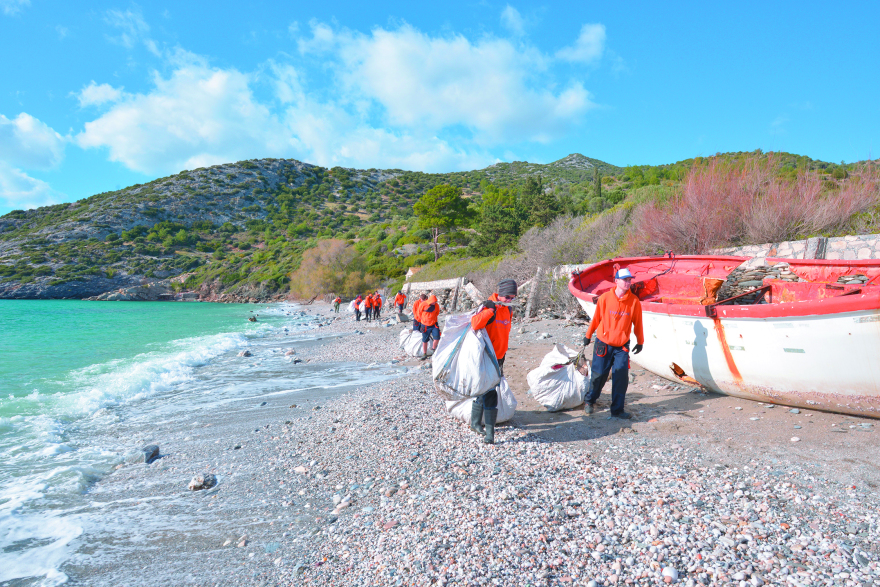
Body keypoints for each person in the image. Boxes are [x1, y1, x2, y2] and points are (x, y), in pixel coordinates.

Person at [582, 267, 644, 419]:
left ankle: (617, 410)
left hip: (622, 346)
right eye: (625, 280)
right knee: (599, 375)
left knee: (621, 377)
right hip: (603, 343)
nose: (628, 283)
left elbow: (638, 323)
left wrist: (640, 341)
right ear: (616, 281)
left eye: (629, 280)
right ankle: (589, 401)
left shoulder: (634, 301)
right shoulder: (604, 298)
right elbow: (596, 318)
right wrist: (588, 335)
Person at [469, 279, 517, 444]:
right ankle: (490, 433)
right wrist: (489, 310)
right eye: (508, 297)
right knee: (490, 394)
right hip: (486, 358)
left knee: (486, 390)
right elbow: (474, 324)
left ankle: (475, 423)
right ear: (502, 293)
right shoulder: (489, 307)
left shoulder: (508, 310)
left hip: (499, 358)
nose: (511, 300)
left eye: (513, 297)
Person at [418, 294, 441, 360]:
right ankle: (424, 354)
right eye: (433, 301)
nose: (434, 303)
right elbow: (419, 312)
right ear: (430, 301)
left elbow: (437, 313)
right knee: (425, 340)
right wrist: (422, 319)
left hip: (434, 324)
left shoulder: (436, 305)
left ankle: (433, 350)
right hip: (425, 325)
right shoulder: (423, 304)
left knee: (437, 338)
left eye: (435, 301)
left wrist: (432, 318)